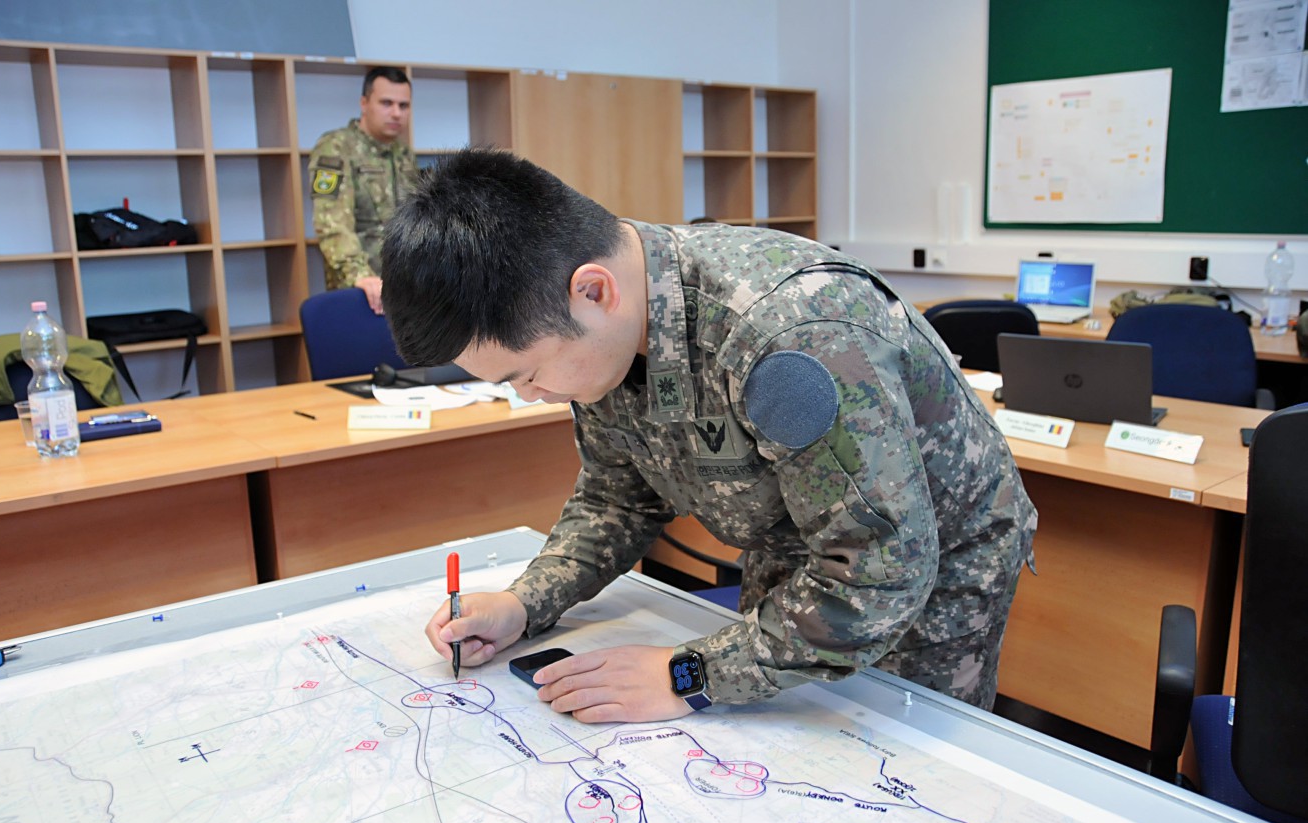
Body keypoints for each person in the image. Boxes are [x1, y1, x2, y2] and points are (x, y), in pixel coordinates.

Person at [382, 148, 1036, 725]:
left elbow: (879, 571)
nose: (532, 395)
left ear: (593, 292)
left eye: (526, 374)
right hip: (796, 543)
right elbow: (617, 499)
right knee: (772, 746)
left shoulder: (787, 333)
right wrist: (524, 604)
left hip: (922, 565)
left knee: (890, 769)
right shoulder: (606, 335)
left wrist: (689, 674)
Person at [308, 66, 418, 315]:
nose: (396, 113)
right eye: (386, 103)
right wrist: (361, 276)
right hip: (360, 291)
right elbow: (331, 223)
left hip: (405, 292)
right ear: (364, 103)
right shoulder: (336, 147)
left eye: (403, 105)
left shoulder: (404, 155)